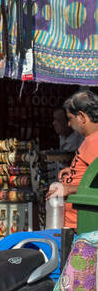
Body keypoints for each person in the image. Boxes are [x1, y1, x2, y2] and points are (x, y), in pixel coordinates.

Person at [47, 88, 98, 230]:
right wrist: (74, 171)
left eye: (70, 118)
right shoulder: (90, 140)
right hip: (75, 222)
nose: (69, 124)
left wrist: (68, 189)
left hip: (81, 224)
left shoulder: (95, 141)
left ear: (81, 116)